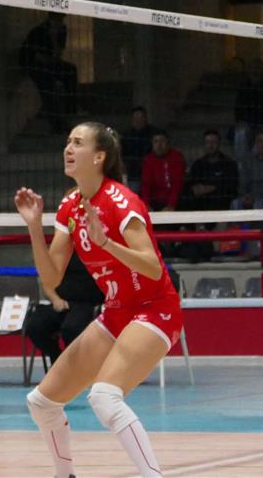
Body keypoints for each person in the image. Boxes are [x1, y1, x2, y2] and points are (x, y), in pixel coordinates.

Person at [16, 122, 182, 478]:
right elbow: (52, 279)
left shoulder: (121, 201)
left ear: (99, 157)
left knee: (104, 396)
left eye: (78, 142)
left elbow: (153, 267)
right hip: (116, 313)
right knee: (41, 403)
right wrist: (34, 227)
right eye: (67, 141)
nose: (68, 148)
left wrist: (106, 243)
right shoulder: (70, 206)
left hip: (155, 311)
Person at [24, 252, 103, 366]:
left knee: (71, 328)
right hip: (61, 302)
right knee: (35, 325)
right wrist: (55, 299)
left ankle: (72, 364)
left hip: (88, 304)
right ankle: (56, 358)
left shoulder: (98, 252)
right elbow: (46, 282)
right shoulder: (61, 250)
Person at [19, 13, 78, 132]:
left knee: (70, 71)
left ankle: (70, 109)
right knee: (48, 86)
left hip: (49, 63)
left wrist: (55, 38)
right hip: (34, 64)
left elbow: (58, 52)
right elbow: (36, 56)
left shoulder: (62, 29)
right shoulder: (39, 31)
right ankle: (57, 123)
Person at [186, 130, 238, 210]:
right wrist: (196, 188)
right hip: (201, 202)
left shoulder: (229, 163)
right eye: (208, 142)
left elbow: (232, 187)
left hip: (222, 203)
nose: (210, 145)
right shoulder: (198, 164)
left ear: (219, 144)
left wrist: (211, 188)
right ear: (204, 144)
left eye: (214, 142)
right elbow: (192, 184)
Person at [140, 130, 184, 212]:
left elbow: (177, 184)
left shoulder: (176, 157)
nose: (159, 145)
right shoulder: (148, 160)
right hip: (155, 201)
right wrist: (146, 205)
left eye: (162, 141)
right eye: (156, 141)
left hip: (175, 200)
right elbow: (146, 185)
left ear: (168, 143)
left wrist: (171, 205)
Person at [120, 106, 158, 185]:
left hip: (151, 171)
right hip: (131, 173)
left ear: (146, 119)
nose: (138, 121)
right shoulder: (125, 135)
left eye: (141, 118)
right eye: (136, 118)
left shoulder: (154, 133)